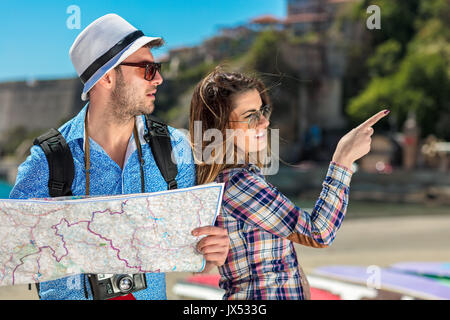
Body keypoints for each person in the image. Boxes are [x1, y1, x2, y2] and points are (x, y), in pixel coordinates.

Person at [9, 14, 229, 300]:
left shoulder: (176, 148)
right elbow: (12, 251)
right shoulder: (46, 160)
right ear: (108, 77)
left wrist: (211, 252)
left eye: (157, 68)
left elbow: (196, 250)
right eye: (148, 69)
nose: (159, 78)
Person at [189, 69, 389, 300]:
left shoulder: (231, 180)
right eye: (250, 115)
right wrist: (343, 159)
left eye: (262, 110)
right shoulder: (239, 183)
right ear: (221, 126)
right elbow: (318, 232)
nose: (264, 121)